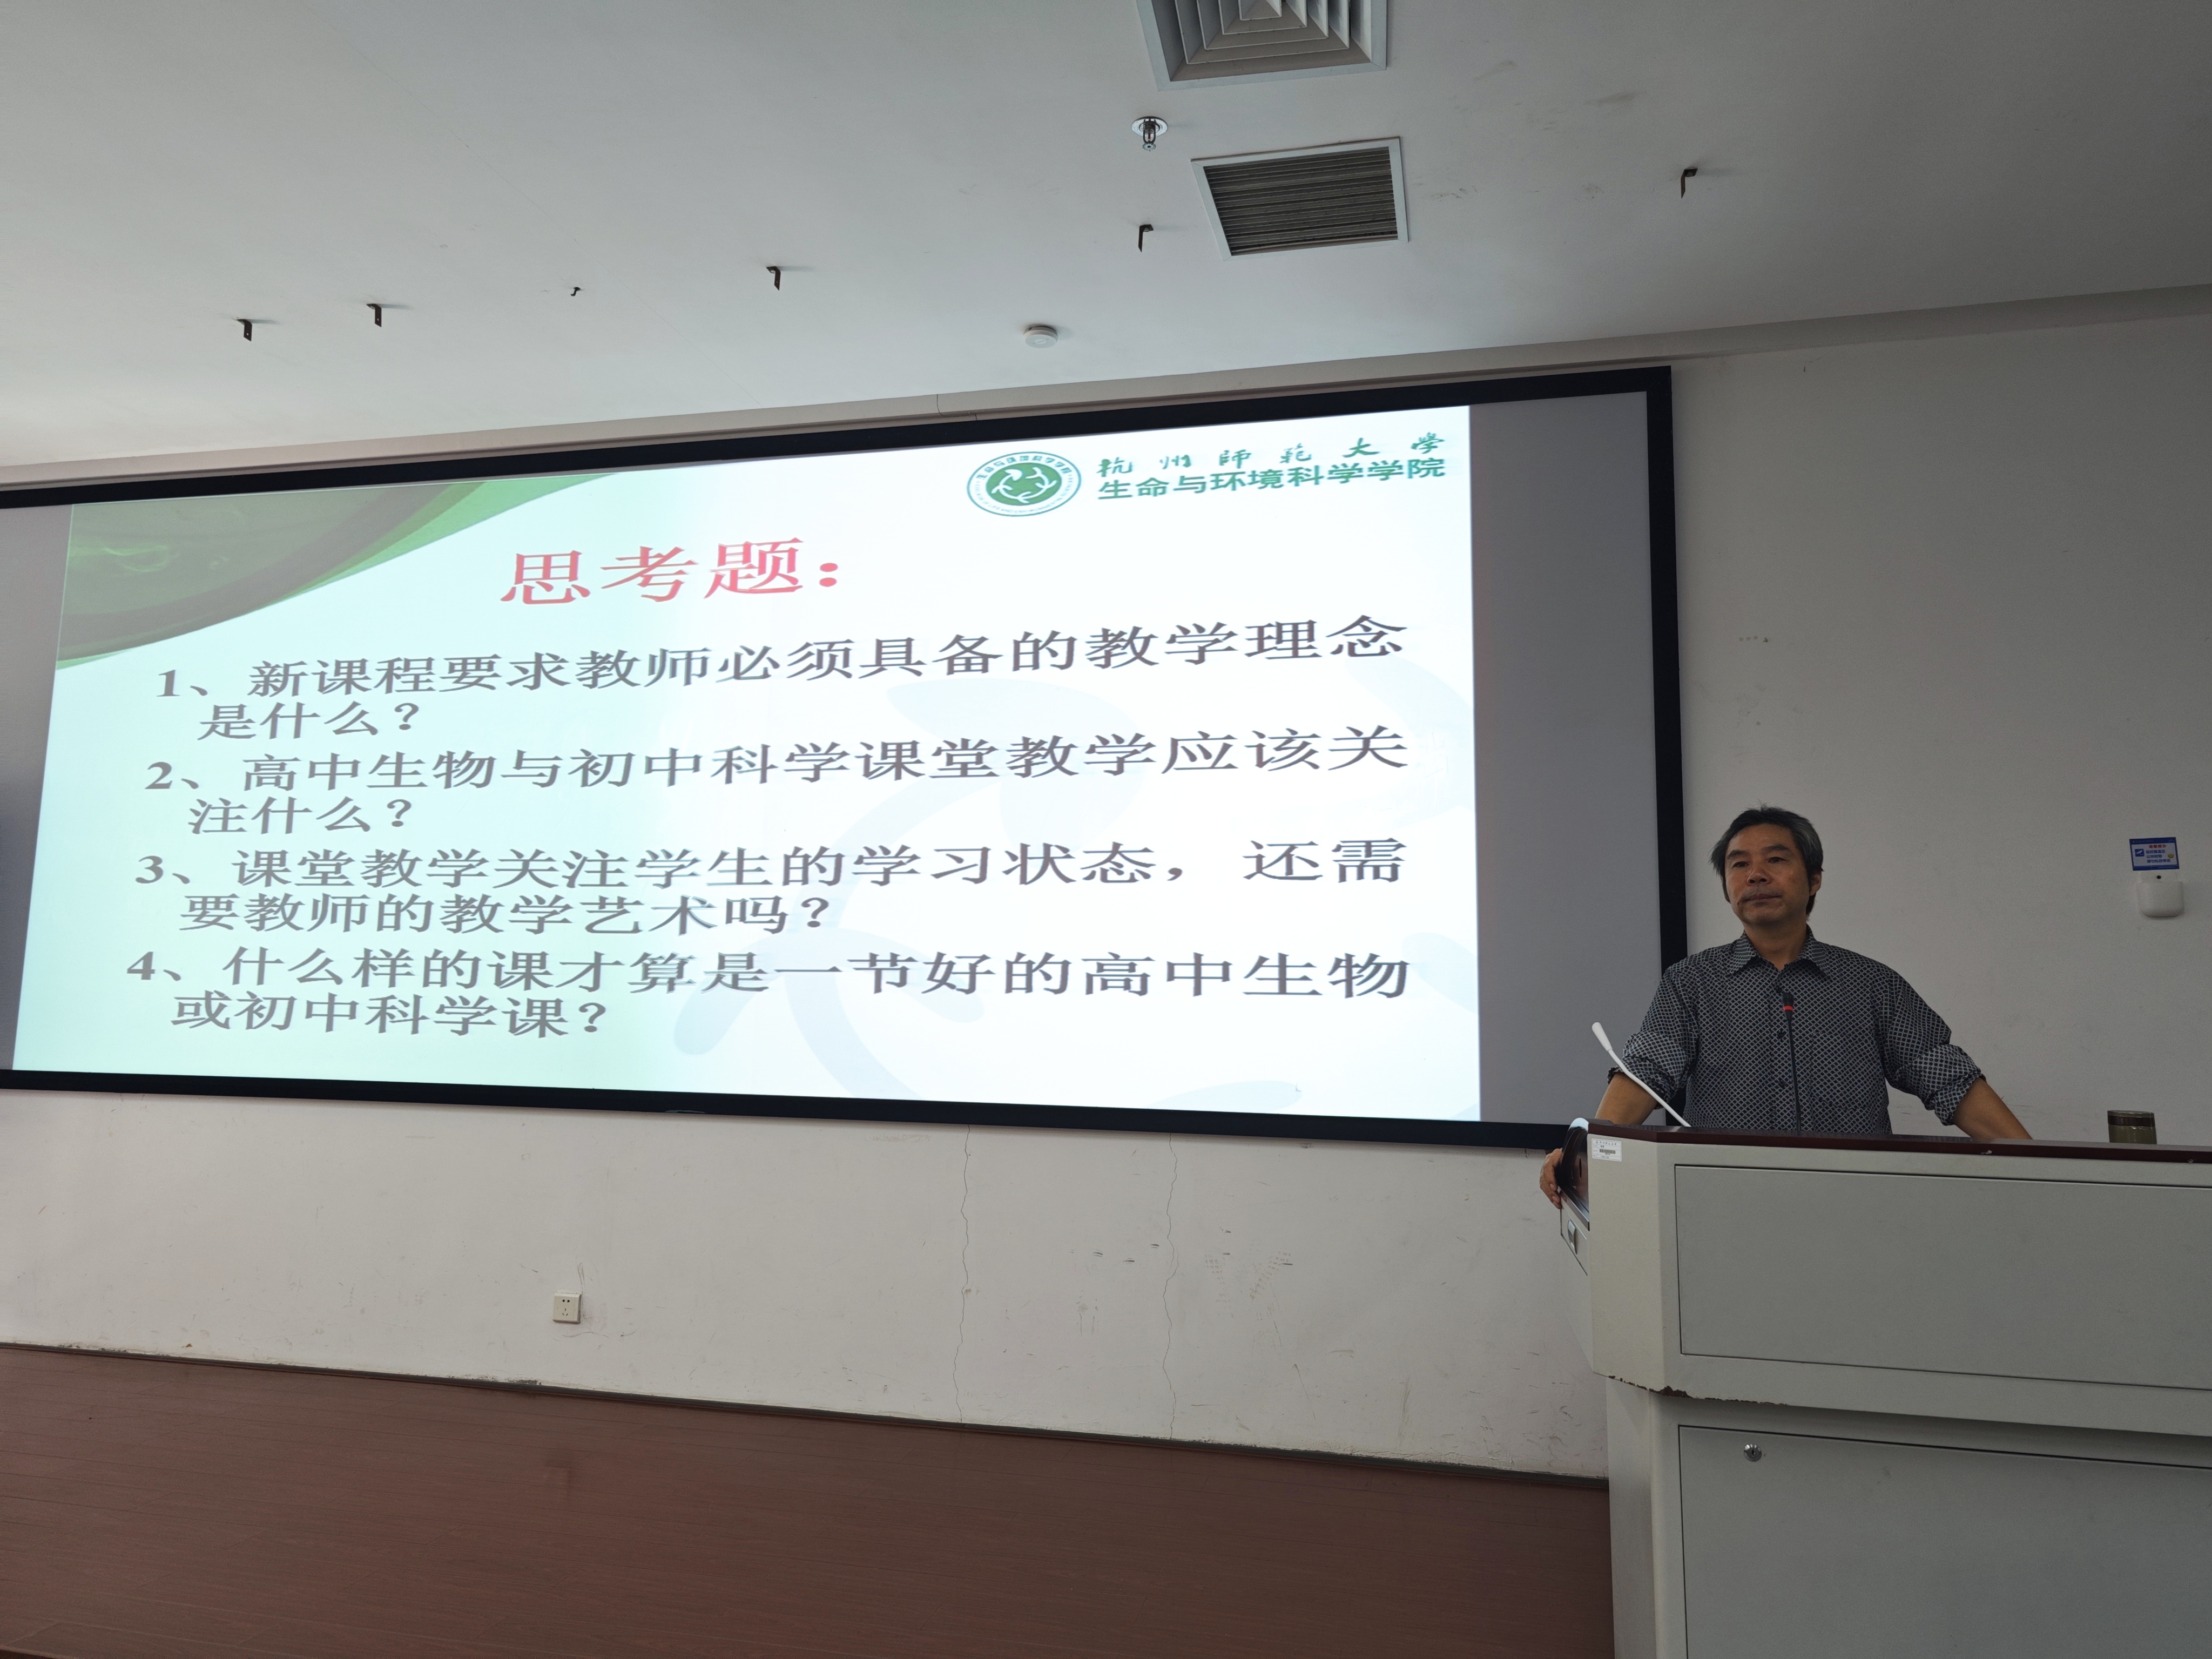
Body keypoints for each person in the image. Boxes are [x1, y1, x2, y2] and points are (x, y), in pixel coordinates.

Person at [1540, 806, 2028, 1207]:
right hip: (1723, 1206)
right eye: (1738, 865)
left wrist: (2036, 1163)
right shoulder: (1691, 982)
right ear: (1727, 887)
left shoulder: (1871, 984)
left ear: (1814, 880)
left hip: (1857, 1207)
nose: (1756, 875)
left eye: (1775, 859)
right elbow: (1647, 1072)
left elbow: (1946, 1077)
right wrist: (1584, 1154)